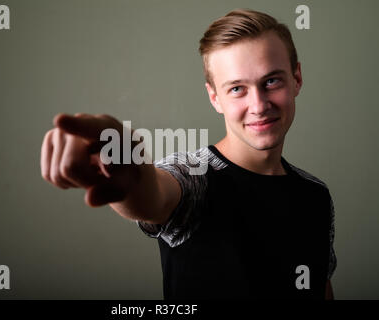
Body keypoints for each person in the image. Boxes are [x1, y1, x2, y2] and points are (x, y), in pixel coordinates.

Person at [40, 8, 337, 299]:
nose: (258, 105)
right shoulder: (193, 175)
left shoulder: (316, 195)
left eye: (271, 81)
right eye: (237, 89)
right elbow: (155, 193)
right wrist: (127, 175)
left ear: (296, 78)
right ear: (214, 97)